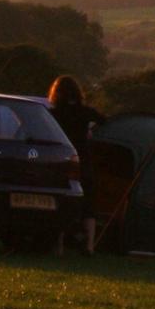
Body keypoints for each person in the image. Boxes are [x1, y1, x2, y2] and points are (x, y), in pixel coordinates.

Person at [46, 75, 106, 254]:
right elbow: (105, 121)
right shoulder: (86, 112)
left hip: (63, 161)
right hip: (84, 161)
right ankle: (89, 246)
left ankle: (59, 245)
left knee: (61, 202)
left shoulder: (53, 114)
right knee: (89, 205)